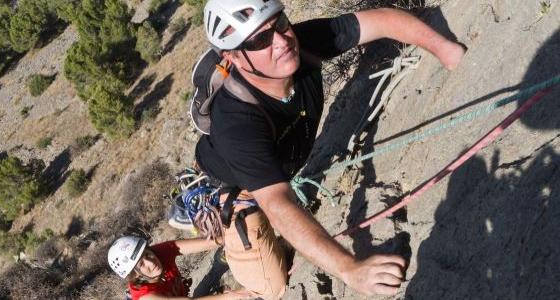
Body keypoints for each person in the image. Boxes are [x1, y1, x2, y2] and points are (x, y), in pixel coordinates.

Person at [194, 0, 465, 297]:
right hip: (236, 187)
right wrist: (349, 268)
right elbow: (277, 204)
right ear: (233, 57)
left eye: (280, 23)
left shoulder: (301, 42)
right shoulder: (236, 124)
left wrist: (446, 50)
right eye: (260, 39)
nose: (282, 41)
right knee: (271, 288)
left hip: (280, 157)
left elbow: (383, 20)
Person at [107, 236, 250, 300]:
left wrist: (232, 238)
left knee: (216, 270)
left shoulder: (157, 253)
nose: (151, 262)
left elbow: (209, 242)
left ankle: (221, 262)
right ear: (135, 275)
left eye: (147, 254)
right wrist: (235, 296)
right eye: (141, 265)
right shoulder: (146, 296)